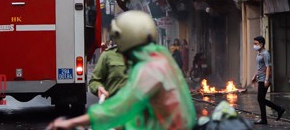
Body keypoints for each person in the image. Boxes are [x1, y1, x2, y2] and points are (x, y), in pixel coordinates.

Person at [47, 10, 196, 130]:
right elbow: (142, 108)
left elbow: (123, 106)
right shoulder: (160, 58)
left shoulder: (150, 69)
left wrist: (71, 123)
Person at [250, 36, 285, 125]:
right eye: (254, 43)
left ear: (261, 44)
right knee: (261, 99)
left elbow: (268, 67)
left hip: (264, 79)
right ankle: (272, 113)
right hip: (260, 78)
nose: (254, 45)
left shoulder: (265, 54)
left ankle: (277, 110)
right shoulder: (259, 53)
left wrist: (266, 79)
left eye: (256, 43)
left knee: (260, 99)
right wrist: (254, 76)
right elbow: (259, 67)